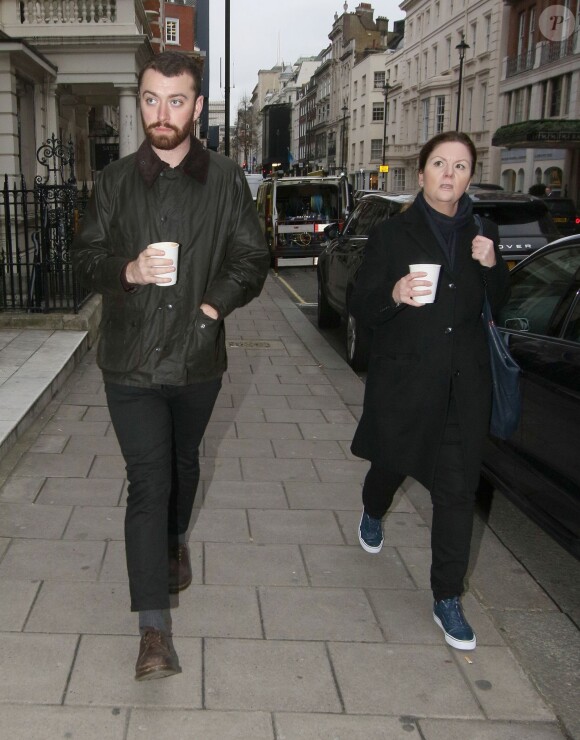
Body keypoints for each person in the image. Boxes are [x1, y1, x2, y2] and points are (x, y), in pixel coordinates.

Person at [72, 51, 269, 680]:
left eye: (176, 100)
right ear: (141, 102)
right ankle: (152, 630)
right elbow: (85, 260)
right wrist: (125, 270)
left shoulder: (227, 180)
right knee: (149, 481)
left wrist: (214, 306)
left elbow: (251, 258)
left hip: (197, 360)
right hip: (128, 363)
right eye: (151, 99)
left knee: (184, 465)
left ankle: (174, 540)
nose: (162, 113)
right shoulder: (113, 182)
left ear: (197, 108)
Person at [349, 131, 510, 651]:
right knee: (392, 466)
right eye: (439, 163)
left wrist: (492, 267)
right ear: (422, 174)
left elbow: (500, 303)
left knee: (458, 493)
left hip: (463, 386)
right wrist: (394, 292)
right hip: (408, 381)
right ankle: (373, 508)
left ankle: (447, 597)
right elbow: (360, 301)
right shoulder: (394, 235)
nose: (449, 174)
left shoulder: (482, 233)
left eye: (460, 166)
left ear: (468, 176)